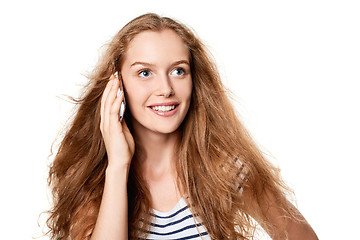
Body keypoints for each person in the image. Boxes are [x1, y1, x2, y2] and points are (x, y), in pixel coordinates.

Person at [46, 13, 318, 240]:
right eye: (144, 73)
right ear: (116, 84)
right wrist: (118, 165)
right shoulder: (90, 176)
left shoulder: (224, 169)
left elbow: (301, 235)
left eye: (178, 71)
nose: (165, 89)